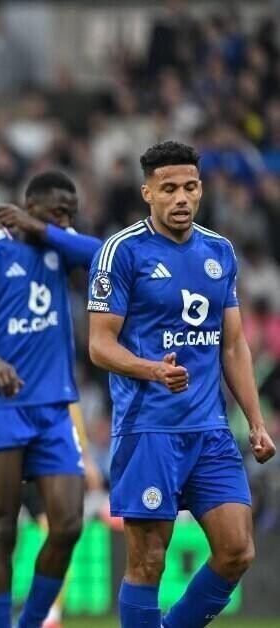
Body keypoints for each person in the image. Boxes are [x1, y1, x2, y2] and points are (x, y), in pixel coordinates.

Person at [87, 140, 275, 627]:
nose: (181, 198)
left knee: (237, 549)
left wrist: (255, 421)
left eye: (190, 187)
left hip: (210, 431)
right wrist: (152, 370)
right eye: (168, 188)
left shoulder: (219, 251)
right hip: (149, 427)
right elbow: (100, 346)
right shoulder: (122, 251)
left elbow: (232, 346)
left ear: (201, 189)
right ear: (147, 192)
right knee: (148, 560)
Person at [0, 171, 102, 628]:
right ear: (29, 204)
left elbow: (105, 256)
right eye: (57, 212)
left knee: (69, 524)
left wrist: (46, 230)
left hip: (54, 410)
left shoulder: (63, 246)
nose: (65, 221)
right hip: (1, 408)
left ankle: (30, 622)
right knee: (1, 530)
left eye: (71, 214)